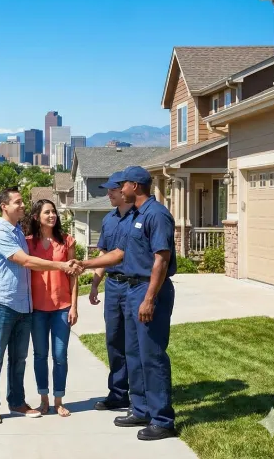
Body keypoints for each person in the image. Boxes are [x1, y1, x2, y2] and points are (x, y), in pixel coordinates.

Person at [77, 166, 177, 441]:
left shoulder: (156, 215)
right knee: (134, 354)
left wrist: (149, 299)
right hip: (131, 290)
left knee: (152, 356)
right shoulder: (136, 216)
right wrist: (85, 264)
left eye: (123, 186)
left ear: (135, 186)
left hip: (148, 289)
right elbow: (119, 253)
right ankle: (142, 408)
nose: (119, 190)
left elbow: (161, 259)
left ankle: (163, 420)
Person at [0, 188, 81, 424]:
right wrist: (61, 265)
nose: (23, 206)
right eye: (18, 202)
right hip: (2, 303)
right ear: (4, 206)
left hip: (24, 306)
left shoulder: (18, 232)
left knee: (19, 359)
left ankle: (16, 402)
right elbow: (25, 261)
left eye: (23, 203)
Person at [25, 199, 78, 417]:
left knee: (60, 356)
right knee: (39, 355)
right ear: (37, 217)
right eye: (47, 212)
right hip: (37, 309)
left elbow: (73, 276)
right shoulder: (28, 243)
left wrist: (74, 306)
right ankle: (43, 399)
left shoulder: (67, 241)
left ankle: (58, 400)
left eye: (54, 212)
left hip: (62, 307)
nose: (52, 215)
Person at [89, 171, 136, 412]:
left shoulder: (139, 218)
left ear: (125, 190)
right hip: (114, 286)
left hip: (133, 285)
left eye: (112, 190)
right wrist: (96, 284)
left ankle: (139, 399)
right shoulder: (108, 220)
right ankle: (118, 393)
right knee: (114, 341)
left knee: (133, 343)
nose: (108, 194)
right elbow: (103, 255)